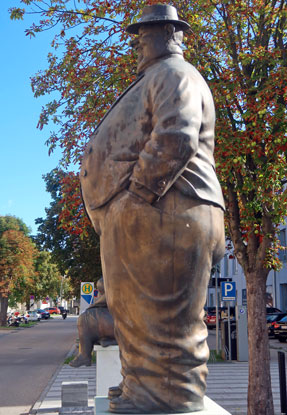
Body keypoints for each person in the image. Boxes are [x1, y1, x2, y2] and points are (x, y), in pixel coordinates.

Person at [80, 4, 225, 413]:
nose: (139, 43)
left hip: (166, 210)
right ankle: (141, 390)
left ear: (169, 33)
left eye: (145, 34)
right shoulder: (159, 75)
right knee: (137, 313)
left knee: (162, 318)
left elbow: (176, 135)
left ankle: (167, 397)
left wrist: (134, 198)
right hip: (159, 213)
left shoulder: (175, 74)